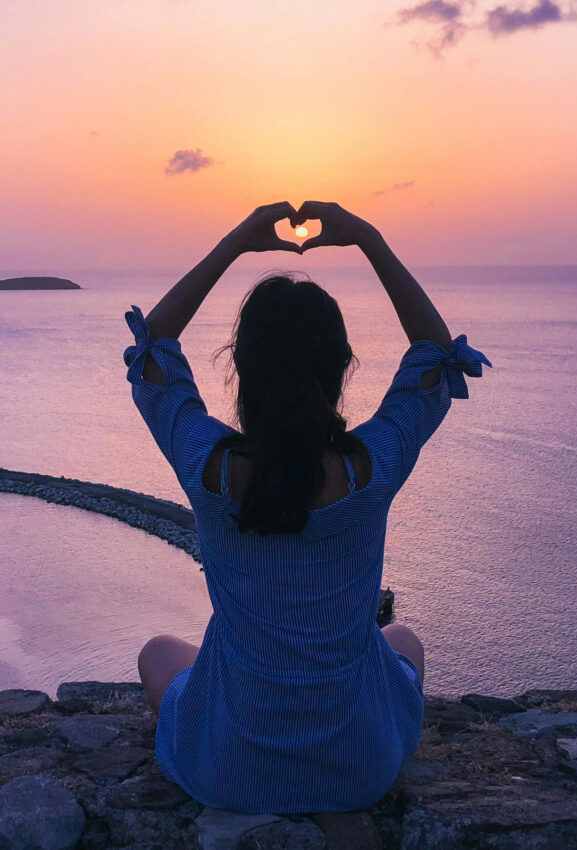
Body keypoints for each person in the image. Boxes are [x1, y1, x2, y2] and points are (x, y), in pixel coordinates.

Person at [123, 200, 492, 815]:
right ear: (342, 367)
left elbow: (152, 350)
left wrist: (237, 241)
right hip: (358, 771)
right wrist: (369, 240)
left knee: (159, 653)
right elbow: (436, 352)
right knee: (402, 639)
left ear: (239, 367)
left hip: (230, 770)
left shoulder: (207, 466)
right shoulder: (373, 466)